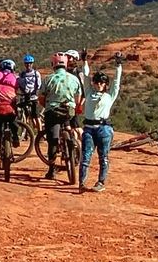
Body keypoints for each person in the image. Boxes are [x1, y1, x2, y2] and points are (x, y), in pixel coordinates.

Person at [78, 53, 124, 193]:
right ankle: (82, 183)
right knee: (85, 156)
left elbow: (116, 81)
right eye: (97, 82)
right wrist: (84, 61)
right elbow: (85, 76)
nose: (99, 85)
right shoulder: (89, 91)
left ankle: (101, 182)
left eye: (102, 83)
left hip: (104, 129)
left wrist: (118, 65)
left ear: (105, 84)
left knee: (103, 157)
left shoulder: (110, 95)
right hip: (89, 128)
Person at [37, 52, 80, 180]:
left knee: (52, 141)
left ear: (53, 65)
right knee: (67, 123)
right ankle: (72, 142)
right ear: (66, 64)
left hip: (53, 111)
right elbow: (78, 98)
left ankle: (51, 169)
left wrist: (48, 106)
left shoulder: (48, 79)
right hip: (69, 110)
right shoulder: (74, 78)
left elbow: (41, 98)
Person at [16, 54, 43, 131]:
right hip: (25, 96)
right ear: (24, 64)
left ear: (32, 64)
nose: (28, 65)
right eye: (27, 63)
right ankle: (26, 133)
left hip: (34, 97)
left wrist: (35, 93)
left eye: (30, 63)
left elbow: (39, 85)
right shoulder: (22, 74)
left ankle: (40, 133)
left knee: (36, 116)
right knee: (26, 115)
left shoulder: (36, 74)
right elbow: (19, 83)